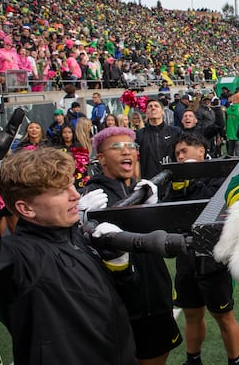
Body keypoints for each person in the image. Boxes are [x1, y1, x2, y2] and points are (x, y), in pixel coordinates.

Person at [0, 85, 136, 364]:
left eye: (72, 185)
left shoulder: (74, 237)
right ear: (25, 208)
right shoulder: (24, 258)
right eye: (59, 191)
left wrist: (119, 267)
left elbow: (120, 307)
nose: (75, 195)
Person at [81, 126, 183, 364]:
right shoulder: (95, 198)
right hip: (126, 305)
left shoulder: (138, 189)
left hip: (154, 296)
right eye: (117, 147)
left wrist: (152, 211)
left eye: (131, 146)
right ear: (101, 158)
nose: (126, 151)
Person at [162, 133, 239, 365]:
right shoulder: (175, 179)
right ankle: (193, 360)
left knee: (223, 316)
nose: (180, 157)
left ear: (201, 150)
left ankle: (234, 362)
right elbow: (167, 215)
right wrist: (176, 190)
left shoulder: (218, 172)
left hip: (212, 256)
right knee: (192, 315)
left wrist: (191, 184)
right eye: (177, 153)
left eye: (184, 151)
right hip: (185, 256)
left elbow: (216, 205)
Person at [135, 98, 181, 178]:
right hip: (149, 179)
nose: (153, 108)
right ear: (146, 113)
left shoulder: (175, 132)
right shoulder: (139, 134)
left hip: (172, 178)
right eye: (150, 107)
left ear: (162, 112)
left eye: (156, 106)